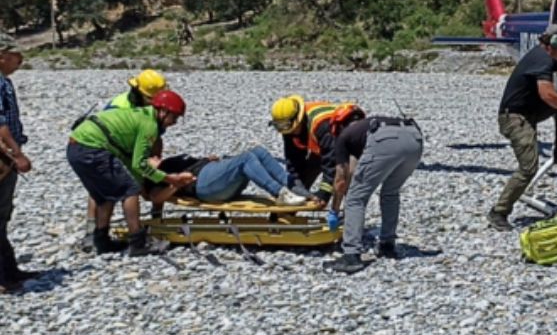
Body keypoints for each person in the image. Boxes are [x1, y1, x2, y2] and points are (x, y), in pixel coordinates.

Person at [67, 90, 195, 256]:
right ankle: (138, 243)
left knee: (104, 195)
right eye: (175, 117)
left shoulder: (139, 115)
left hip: (75, 148)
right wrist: (169, 178)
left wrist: (142, 181)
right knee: (130, 191)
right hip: (92, 148)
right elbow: (140, 163)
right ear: (163, 112)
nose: (175, 122)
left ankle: (101, 240)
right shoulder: (149, 125)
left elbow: (129, 160)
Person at [488, 24, 557, 231]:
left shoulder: (541, 57)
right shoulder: (542, 61)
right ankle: (499, 212)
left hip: (527, 113)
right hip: (515, 119)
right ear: (554, 43)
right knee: (528, 168)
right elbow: (547, 95)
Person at [81, 69, 169, 251]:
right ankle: (93, 233)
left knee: (148, 176)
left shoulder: (156, 109)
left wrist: (154, 159)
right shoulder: (120, 106)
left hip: (131, 145)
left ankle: (155, 219)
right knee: (110, 187)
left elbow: (155, 136)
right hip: (109, 147)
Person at [326, 116, 424, 274]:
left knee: (355, 198)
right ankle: (387, 245)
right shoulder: (361, 130)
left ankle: (351, 255)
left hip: (385, 140)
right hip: (414, 137)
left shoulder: (342, 138)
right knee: (391, 193)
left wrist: (334, 211)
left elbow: (341, 180)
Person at [269, 96, 366, 209]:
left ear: (298, 119)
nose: (285, 131)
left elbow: (331, 161)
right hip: (323, 147)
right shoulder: (289, 128)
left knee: (346, 182)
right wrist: (296, 185)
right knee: (300, 182)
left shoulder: (320, 124)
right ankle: (286, 214)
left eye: (285, 126)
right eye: (279, 126)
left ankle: (351, 218)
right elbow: (294, 158)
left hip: (349, 146)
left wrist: (324, 193)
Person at [0, 34, 41, 293]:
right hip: (3, 158)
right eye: (17, 55)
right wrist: (17, 154)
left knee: (3, 215)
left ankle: (9, 270)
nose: (21, 60)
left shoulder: (5, 83)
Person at [143, 146, 308, 207]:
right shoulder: (155, 177)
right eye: (151, 158)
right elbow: (155, 198)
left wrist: (207, 160)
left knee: (258, 151)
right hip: (203, 185)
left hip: (211, 174)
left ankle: (292, 186)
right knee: (246, 159)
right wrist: (176, 185)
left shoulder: (166, 163)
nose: (156, 157)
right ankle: (279, 193)